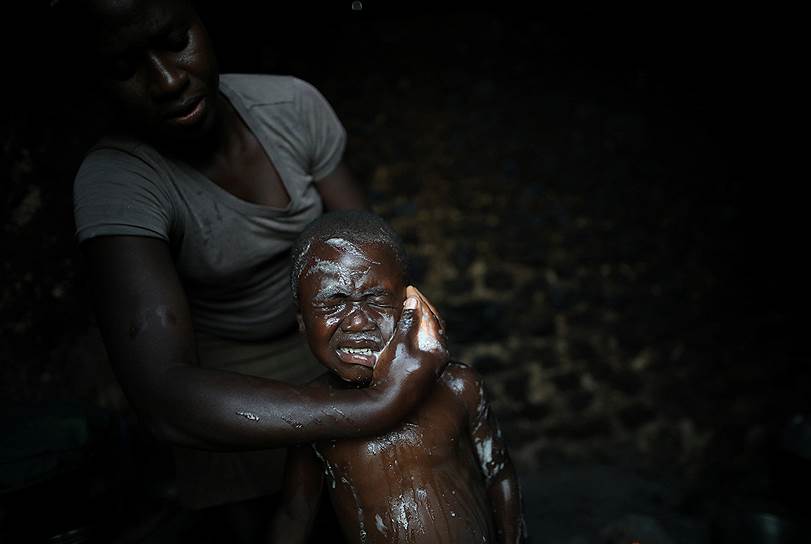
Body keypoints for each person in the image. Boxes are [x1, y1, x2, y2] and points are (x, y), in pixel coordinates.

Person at [63, 0, 446, 526]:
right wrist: (371, 409)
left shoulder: (291, 106)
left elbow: (372, 258)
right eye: (123, 67)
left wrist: (396, 364)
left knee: (382, 501)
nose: (168, 81)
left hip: (333, 346)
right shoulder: (120, 180)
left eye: (176, 41)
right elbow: (163, 393)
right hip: (222, 380)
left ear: (203, 19)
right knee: (273, 520)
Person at [271, 211, 526, 543]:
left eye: (376, 299)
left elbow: (499, 475)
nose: (358, 322)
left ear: (409, 305)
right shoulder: (313, 414)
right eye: (334, 303)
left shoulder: (457, 386)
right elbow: (295, 515)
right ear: (302, 321)